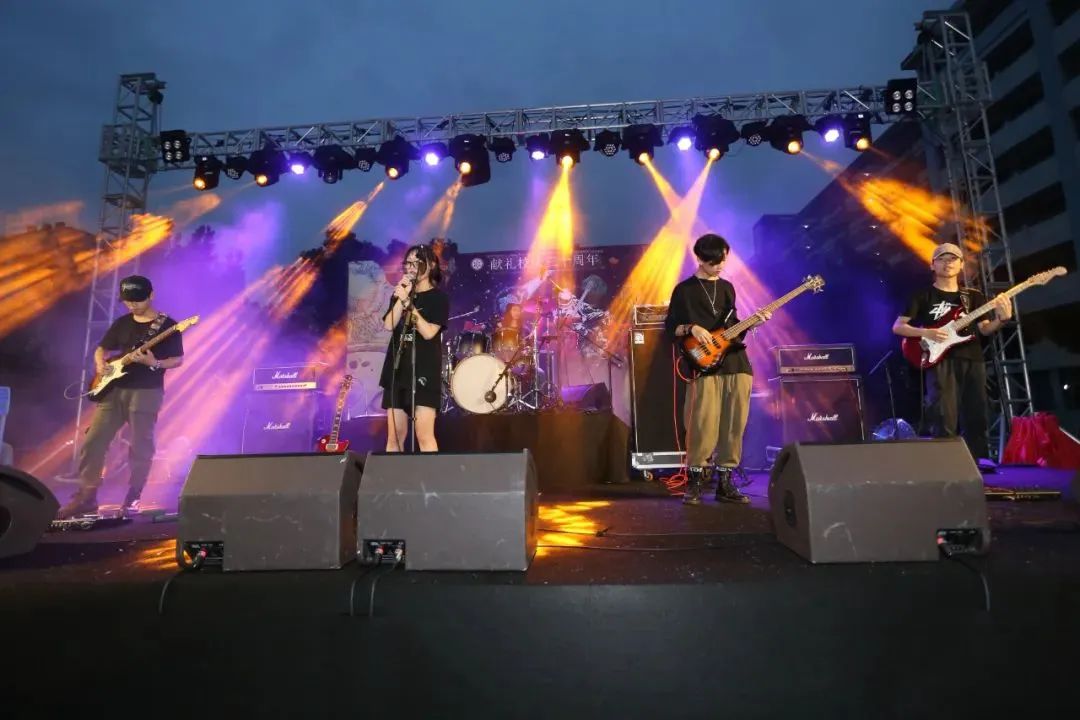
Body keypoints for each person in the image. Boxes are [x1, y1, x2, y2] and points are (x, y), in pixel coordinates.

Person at [57, 275, 185, 518]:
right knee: (93, 440)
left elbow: (177, 360)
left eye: (137, 300)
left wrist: (155, 362)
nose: (132, 305)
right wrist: (100, 364)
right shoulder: (122, 323)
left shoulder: (168, 326)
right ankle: (87, 496)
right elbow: (101, 349)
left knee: (140, 445)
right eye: (128, 301)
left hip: (146, 391)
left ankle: (134, 495)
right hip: (114, 390)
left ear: (151, 295)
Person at [665, 234, 770, 505]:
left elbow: (732, 329)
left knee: (735, 423)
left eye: (723, 261)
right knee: (702, 423)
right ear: (700, 259)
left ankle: (725, 483)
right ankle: (696, 482)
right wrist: (691, 328)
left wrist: (753, 323)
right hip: (704, 365)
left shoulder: (727, 288)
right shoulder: (684, 290)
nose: (720, 266)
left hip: (736, 362)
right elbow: (670, 328)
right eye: (714, 262)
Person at [892, 242, 1012, 464]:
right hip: (939, 360)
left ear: (961, 264)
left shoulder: (973, 296)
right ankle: (946, 464)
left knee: (977, 415)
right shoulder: (922, 295)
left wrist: (1001, 320)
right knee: (943, 416)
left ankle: (978, 464)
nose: (948, 263)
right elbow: (898, 327)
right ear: (932, 265)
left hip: (973, 360)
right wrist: (927, 332)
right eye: (942, 259)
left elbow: (985, 329)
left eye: (953, 259)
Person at [380, 244, 450, 452]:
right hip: (397, 369)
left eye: (416, 262)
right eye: (408, 263)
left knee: (424, 435)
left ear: (431, 265)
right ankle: (393, 474)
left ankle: (430, 474)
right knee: (394, 437)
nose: (410, 267)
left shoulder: (438, 298)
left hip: (424, 371)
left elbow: (428, 332)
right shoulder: (402, 294)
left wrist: (408, 305)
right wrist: (402, 298)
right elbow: (389, 324)